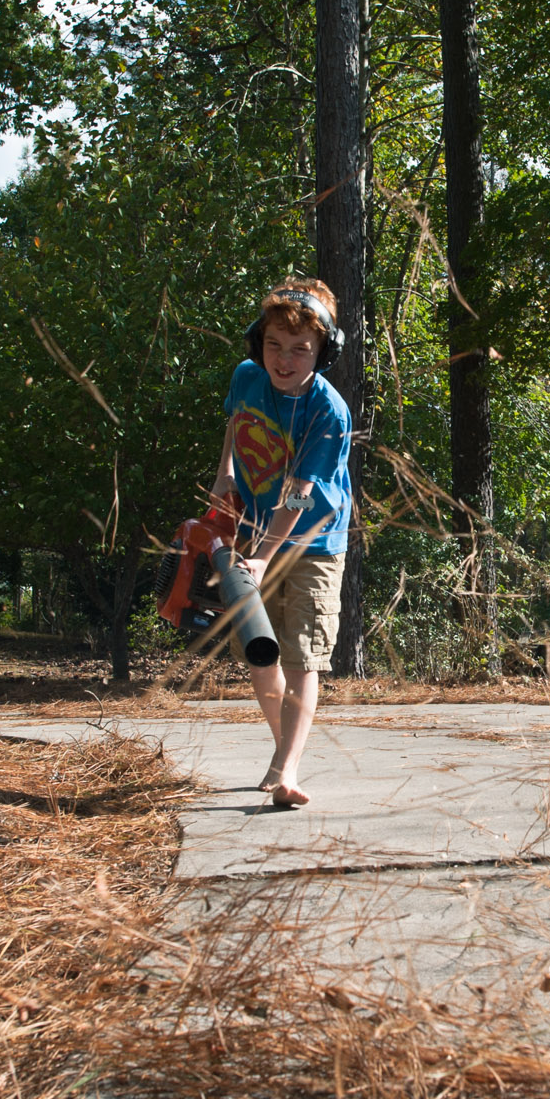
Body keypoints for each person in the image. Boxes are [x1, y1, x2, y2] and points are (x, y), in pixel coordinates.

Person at [210, 278, 354, 807]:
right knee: (261, 655)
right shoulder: (247, 378)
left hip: (314, 543)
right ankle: (282, 751)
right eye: (275, 344)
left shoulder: (329, 412)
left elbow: (296, 495)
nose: (285, 359)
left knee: (302, 657)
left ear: (323, 350)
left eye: (300, 349)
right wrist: (225, 472)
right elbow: (235, 421)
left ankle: (288, 769)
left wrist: (263, 557)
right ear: (258, 343)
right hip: (252, 532)